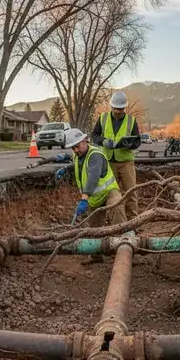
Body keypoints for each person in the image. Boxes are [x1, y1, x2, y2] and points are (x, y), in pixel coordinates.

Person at [54, 128, 127, 265]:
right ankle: (96, 256)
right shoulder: (78, 155)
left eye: (77, 146)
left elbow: (93, 177)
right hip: (94, 197)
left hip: (109, 192)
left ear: (85, 141)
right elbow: (80, 165)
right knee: (94, 227)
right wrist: (66, 169)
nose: (75, 150)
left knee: (117, 213)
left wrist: (84, 199)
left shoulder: (95, 155)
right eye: (72, 147)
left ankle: (125, 252)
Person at [91, 91, 141, 220]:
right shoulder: (103, 118)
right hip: (108, 162)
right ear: (111, 106)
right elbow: (94, 136)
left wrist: (128, 144)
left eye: (121, 109)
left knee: (130, 192)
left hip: (126, 162)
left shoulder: (131, 120)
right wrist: (104, 141)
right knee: (109, 192)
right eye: (115, 109)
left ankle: (132, 220)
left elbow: (137, 141)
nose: (118, 111)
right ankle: (109, 218)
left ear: (125, 107)